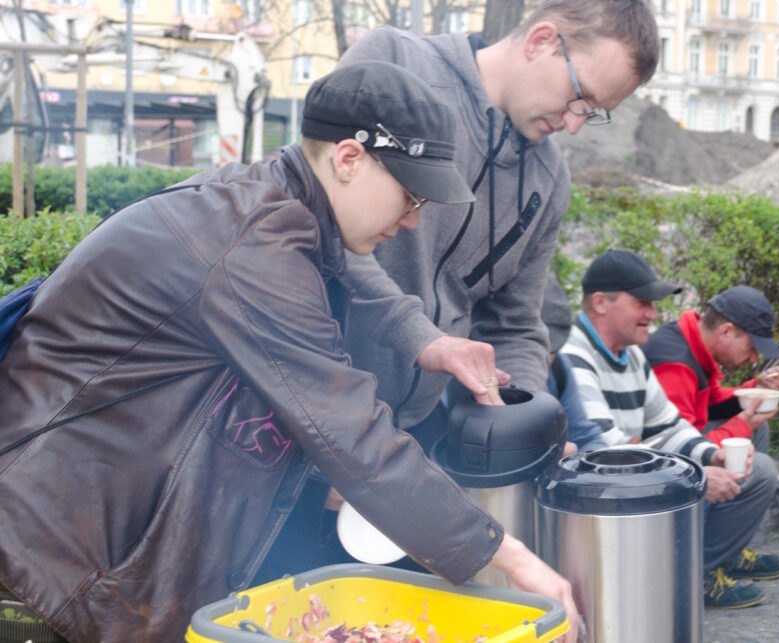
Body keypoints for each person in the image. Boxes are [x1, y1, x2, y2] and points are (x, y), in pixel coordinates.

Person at [0, 62, 577, 642]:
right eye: (410, 195)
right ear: (349, 159)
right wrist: (511, 557)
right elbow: (350, 430)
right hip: (38, 569)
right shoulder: (255, 241)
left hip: (70, 559)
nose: (411, 221)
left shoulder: (271, 211)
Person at [334, 0, 659, 453]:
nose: (573, 124)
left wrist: (524, 415)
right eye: (580, 97)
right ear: (541, 40)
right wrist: (424, 339)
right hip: (308, 409)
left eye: (593, 113)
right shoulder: (394, 63)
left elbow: (515, 324)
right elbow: (322, 226)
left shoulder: (549, 178)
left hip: (411, 434)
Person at [560, 249, 779, 609]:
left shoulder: (630, 353)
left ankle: (709, 560)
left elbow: (668, 427)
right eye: (642, 303)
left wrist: (713, 455)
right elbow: (604, 460)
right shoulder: (575, 356)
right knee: (759, 466)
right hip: (593, 511)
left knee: (748, 458)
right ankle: (695, 574)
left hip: (633, 482)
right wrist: (696, 477)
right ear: (601, 302)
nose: (653, 313)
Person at [642, 285, 779, 449]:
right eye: (752, 348)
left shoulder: (694, 342)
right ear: (725, 332)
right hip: (663, 460)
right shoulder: (675, 366)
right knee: (762, 467)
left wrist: (757, 389)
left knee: (758, 426)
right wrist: (741, 427)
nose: (754, 359)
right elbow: (677, 453)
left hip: (686, 439)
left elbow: (711, 402)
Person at [540, 273, 607, 454]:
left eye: (552, 349)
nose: (547, 359)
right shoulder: (463, 377)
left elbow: (585, 437)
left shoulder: (558, 369)